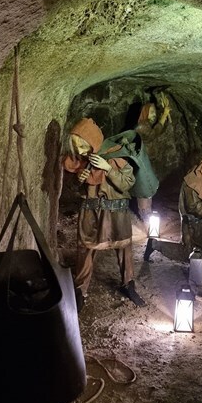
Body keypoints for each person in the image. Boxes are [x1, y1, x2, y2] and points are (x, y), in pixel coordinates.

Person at [62, 118, 145, 310]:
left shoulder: (116, 155)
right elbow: (73, 189)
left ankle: (128, 284)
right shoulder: (80, 161)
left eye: (83, 145)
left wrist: (108, 169)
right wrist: (79, 180)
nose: (80, 150)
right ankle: (80, 290)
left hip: (116, 211)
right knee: (86, 248)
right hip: (91, 211)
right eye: (76, 145)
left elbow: (127, 183)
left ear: (93, 141)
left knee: (124, 247)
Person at [134, 93, 171, 221]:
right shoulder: (141, 126)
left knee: (149, 188)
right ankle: (145, 214)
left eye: (155, 112)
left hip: (148, 162)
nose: (154, 114)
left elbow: (160, 129)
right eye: (151, 112)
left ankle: (147, 212)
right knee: (144, 189)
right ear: (145, 113)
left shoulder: (148, 125)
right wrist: (164, 115)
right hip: (143, 164)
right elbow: (154, 134)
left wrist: (165, 114)